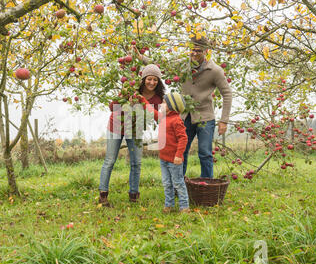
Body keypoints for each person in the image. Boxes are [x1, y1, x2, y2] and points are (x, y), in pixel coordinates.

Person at [134, 36, 232, 178]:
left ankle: (206, 186)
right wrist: (141, 57)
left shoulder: (215, 70)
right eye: (192, 49)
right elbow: (163, 65)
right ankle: (180, 184)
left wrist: (224, 120)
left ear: (206, 51)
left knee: (205, 153)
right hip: (185, 115)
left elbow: (227, 94)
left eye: (198, 50)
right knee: (181, 150)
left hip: (205, 117)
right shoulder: (183, 65)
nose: (194, 53)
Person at [98, 64, 165, 207]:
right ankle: (103, 195)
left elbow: (158, 118)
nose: (151, 82)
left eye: (155, 80)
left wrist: (143, 102)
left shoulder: (157, 99)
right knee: (110, 160)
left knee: (136, 162)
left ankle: (134, 195)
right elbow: (112, 107)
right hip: (117, 124)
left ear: (158, 81)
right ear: (143, 79)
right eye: (149, 79)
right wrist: (123, 94)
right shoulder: (131, 89)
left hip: (135, 129)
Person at [140, 92, 190, 213]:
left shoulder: (176, 120)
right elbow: (152, 112)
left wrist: (178, 155)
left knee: (178, 183)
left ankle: (184, 207)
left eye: (164, 102)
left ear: (171, 106)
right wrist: (142, 100)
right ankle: (169, 205)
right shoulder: (163, 117)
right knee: (167, 183)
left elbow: (183, 138)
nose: (161, 104)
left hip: (174, 160)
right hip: (163, 158)